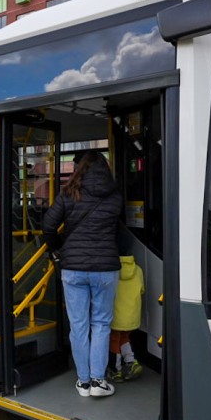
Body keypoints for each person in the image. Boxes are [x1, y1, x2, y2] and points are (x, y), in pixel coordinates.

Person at [43, 151, 124, 399]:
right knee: (101, 324)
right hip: (105, 269)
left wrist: (57, 248)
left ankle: (83, 382)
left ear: (80, 169)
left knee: (78, 326)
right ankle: (99, 381)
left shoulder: (69, 193)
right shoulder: (115, 196)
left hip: (73, 269)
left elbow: (48, 225)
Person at [108, 255, 144, 383]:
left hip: (116, 314)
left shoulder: (112, 270)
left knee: (114, 339)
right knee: (124, 337)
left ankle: (116, 370)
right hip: (131, 314)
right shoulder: (138, 270)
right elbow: (142, 290)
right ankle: (130, 361)